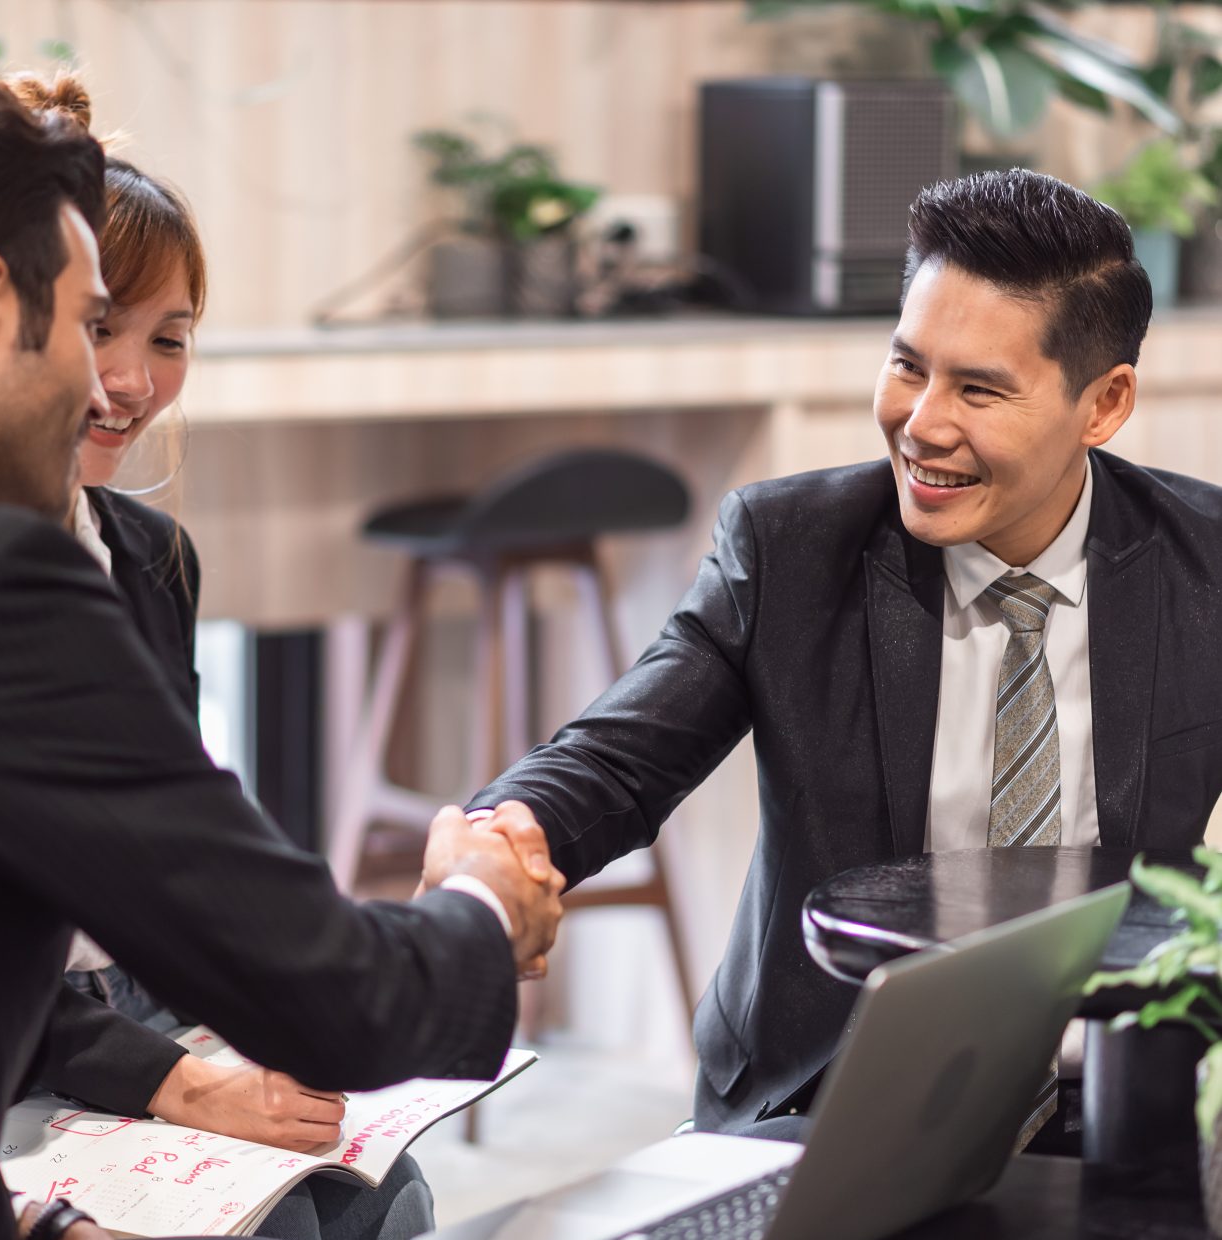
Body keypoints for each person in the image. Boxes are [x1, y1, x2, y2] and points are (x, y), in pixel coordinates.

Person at [0, 72, 561, 1240]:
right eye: (80, 326)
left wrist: (25, 1222)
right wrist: (482, 899)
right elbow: (330, 999)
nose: (103, 386)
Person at [467, 167, 1222, 1139]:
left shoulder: (1204, 565)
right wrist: (497, 838)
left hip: (1121, 1095)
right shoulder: (791, 546)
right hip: (837, 1091)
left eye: (980, 389)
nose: (923, 421)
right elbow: (617, 757)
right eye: (910, 365)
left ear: (1104, 402)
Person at [5, 73, 436, 1240]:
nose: (133, 382)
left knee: (386, 1197)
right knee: (275, 1230)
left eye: (171, 339)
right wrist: (182, 1084)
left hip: (139, 999)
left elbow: (175, 869)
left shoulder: (150, 558)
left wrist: (274, 1011)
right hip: (6, 1038)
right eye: (102, 329)